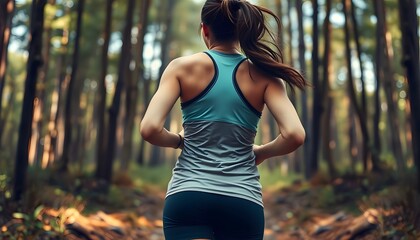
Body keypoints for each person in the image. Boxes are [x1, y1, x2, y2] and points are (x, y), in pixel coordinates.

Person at [140, 0, 308, 239]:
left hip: (188, 195)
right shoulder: (265, 76)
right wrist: (260, 153)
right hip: (242, 200)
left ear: (204, 29)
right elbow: (295, 134)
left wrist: (179, 141)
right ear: (241, 30)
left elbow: (149, 129)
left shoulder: (181, 68)